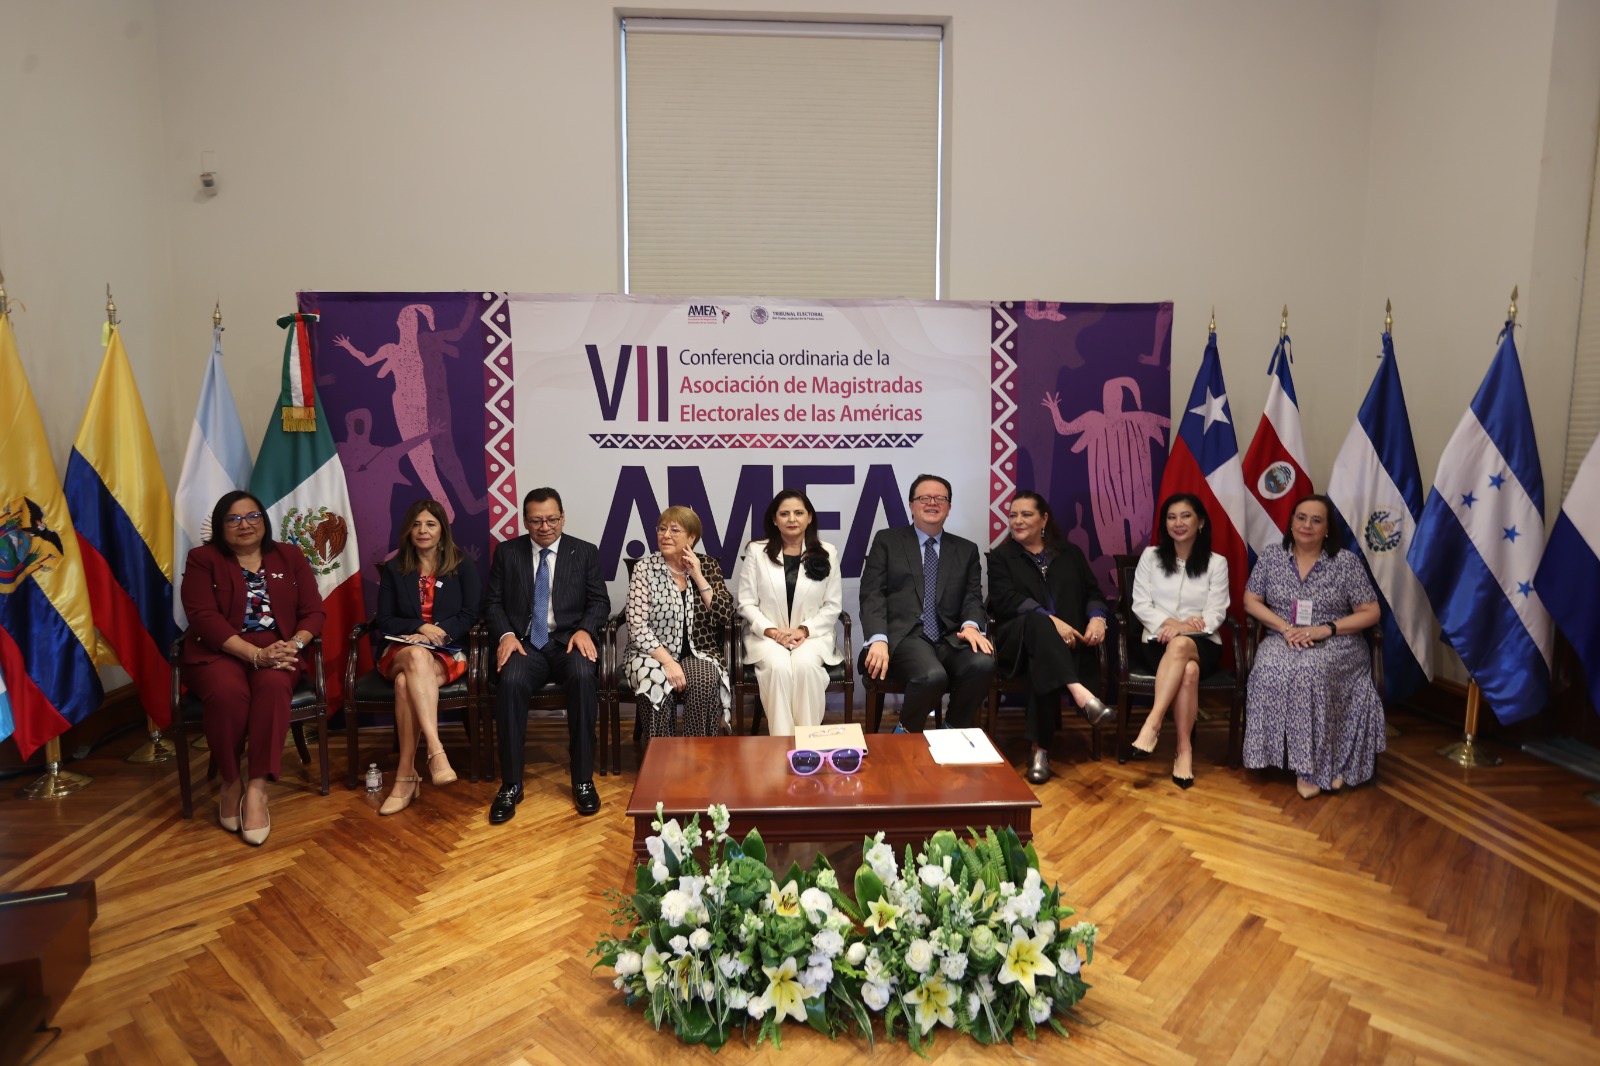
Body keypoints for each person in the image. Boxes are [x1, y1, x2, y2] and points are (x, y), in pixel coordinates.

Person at [179, 491, 325, 846]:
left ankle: (258, 788)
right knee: (228, 694)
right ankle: (231, 781)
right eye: (233, 518)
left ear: (263, 520)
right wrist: (253, 655)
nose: (244, 525)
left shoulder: (288, 555)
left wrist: (296, 644)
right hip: (221, 651)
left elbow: (313, 611)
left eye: (252, 516)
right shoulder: (203, 559)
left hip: (279, 648)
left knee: (274, 687)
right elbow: (203, 617)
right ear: (220, 525)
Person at [1241, 493, 1384, 799]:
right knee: (1266, 669)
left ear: (1327, 529)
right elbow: (1250, 600)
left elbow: (1371, 612)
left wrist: (1326, 629)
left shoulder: (1346, 563)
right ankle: (1268, 756)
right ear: (1291, 522)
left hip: (1336, 641)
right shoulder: (1271, 556)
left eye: (1316, 520)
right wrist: (1285, 628)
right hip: (1284, 636)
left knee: (1310, 672)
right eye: (1301, 517)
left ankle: (1313, 768)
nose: (1307, 525)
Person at [483, 488, 610, 822]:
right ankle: (511, 784)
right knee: (510, 681)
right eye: (537, 520)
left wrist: (585, 628)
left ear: (563, 517)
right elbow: (492, 603)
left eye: (552, 519)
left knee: (584, 677)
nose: (545, 526)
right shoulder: (507, 553)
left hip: (569, 641)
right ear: (525, 521)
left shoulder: (584, 552)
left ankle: (583, 779)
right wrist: (507, 635)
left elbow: (600, 602)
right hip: (525, 643)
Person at [986, 490, 1113, 783]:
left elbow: (1093, 592)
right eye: (1012, 515)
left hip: (1065, 645)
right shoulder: (1002, 557)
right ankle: (1081, 693)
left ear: (1043, 519)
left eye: (1025, 514)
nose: (1017, 521)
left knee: (1042, 659)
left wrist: (1097, 617)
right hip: (1016, 642)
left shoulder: (1070, 554)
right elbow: (1003, 600)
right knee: (1038, 623)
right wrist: (1053, 622)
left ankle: (1039, 750)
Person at [370, 499, 481, 815]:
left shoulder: (461, 564)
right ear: (408, 529)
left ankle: (406, 776)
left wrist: (438, 632)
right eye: (417, 524)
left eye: (430, 524)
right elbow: (385, 619)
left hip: (447, 650)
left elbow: (471, 613)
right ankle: (435, 750)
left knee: (406, 685)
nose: (423, 530)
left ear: (442, 529)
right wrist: (420, 626)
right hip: (400, 650)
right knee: (416, 658)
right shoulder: (395, 567)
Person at [859, 474, 995, 731]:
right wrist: (877, 638)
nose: (932, 502)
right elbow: (872, 593)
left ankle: (950, 732)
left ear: (949, 507)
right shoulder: (887, 541)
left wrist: (971, 625)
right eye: (924, 498)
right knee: (932, 676)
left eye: (940, 498)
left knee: (982, 664)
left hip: (950, 637)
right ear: (911, 505)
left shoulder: (966, 550)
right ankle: (903, 737)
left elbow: (972, 597)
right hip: (905, 637)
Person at [1125, 492, 1231, 789]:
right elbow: (1140, 604)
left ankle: (1153, 723)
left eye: (1185, 516)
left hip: (1202, 643)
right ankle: (1184, 751)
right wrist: (1171, 625)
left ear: (1200, 523)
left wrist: (1184, 631)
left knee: (1183, 647)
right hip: (1157, 642)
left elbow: (1216, 610)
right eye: (1171, 517)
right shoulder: (1152, 557)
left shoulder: (1216, 563)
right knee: (1189, 671)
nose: (1178, 523)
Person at [735, 490, 844, 736]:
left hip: (812, 637)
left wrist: (803, 630)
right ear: (774, 519)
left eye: (798, 513)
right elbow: (746, 603)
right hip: (767, 637)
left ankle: (808, 744)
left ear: (810, 518)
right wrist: (773, 632)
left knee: (805, 666)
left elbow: (832, 605)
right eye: (784, 514)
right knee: (778, 667)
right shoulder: (756, 551)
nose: (792, 519)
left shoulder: (828, 552)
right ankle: (782, 744)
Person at [622, 506, 736, 739]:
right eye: (662, 529)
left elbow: (724, 615)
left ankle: (699, 757)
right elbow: (636, 626)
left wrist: (698, 575)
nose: (665, 535)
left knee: (704, 679)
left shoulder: (708, 565)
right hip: (650, 653)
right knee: (654, 680)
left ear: (691, 538)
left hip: (698, 652)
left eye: (675, 530)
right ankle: (661, 761)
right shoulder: (645, 568)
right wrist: (667, 662)